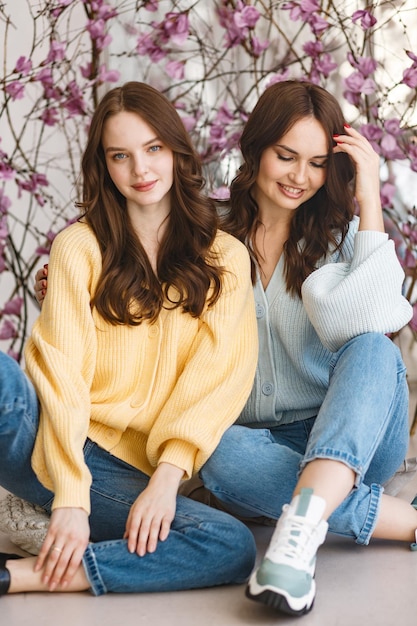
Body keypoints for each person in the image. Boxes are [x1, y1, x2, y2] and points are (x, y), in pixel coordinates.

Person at [33, 80, 417, 616]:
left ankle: (302, 522)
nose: (299, 177)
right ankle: (376, 522)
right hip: (256, 454)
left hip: (356, 444)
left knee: (373, 347)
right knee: (210, 450)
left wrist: (369, 191)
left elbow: (380, 316)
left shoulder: (340, 238)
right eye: (285, 156)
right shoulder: (205, 235)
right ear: (256, 149)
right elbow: (135, 273)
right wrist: (66, 285)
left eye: (316, 163)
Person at [0, 81, 259, 597]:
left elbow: (216, 382)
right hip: (50, 442)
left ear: (176, 152)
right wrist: (71, 496)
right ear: (105, 166)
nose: (140, 171)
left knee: (231, 545)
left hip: (131, 474)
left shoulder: (225, 256)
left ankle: (21, 574)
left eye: (153, 149)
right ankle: (51, 519)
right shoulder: (78, 247)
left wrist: (165, 481)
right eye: (121, 156)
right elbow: (61, 374)